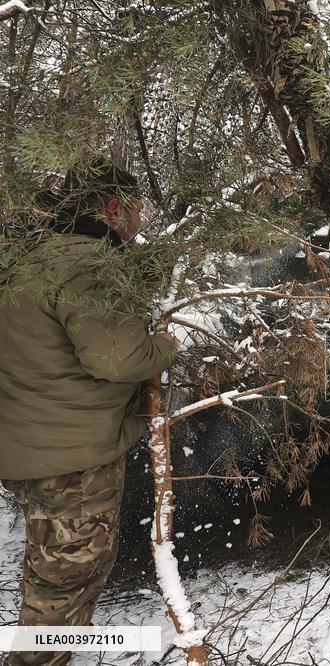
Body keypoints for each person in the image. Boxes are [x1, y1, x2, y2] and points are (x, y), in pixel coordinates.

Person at [0, 158, 176, 666]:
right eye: (136, 210)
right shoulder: (84, 261)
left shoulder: (31, 255)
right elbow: (116, 357)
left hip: (32, 446)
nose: (140, 221)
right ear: (115, 208)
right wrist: (163, 346)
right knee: (67, 582)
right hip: (70, 459)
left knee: (53, 572)